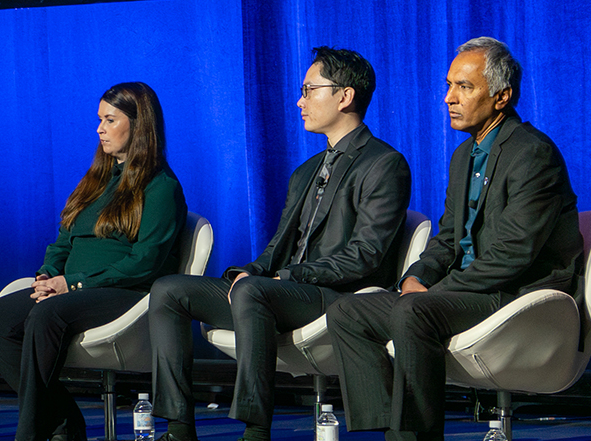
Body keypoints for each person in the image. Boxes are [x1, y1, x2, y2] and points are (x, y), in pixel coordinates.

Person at [149, 47, 412, 441]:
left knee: (256, 291)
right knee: (170, 290)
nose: (299, 101)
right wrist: (253, 269)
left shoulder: (384, 163)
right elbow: (277, 246)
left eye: (309, 90)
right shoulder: (306, 171)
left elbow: (366, 256)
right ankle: (178, 427)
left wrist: (284, 276)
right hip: (280, 290)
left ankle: (256, 429)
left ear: (345, 96)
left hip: (336, 296)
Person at [327, 37, 582, 441]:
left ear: (502, 97)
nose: (449, 98)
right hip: (464, 291)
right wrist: (417, 277)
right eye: (449, 85)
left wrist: (431, 293)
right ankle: (386, 426)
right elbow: (448, 236)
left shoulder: (533, 154)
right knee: (347, 311)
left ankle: (414, 436)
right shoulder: (464, 156)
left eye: (465, 87)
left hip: (514, 294)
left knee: (413, 312)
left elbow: (512, 255)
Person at [0, 82, 188, 441]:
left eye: (109, 119)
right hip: (73, 290)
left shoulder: (161, 186)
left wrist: (73, 285)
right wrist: (48, 275)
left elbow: (145, 262)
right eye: (99, 119)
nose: (99, 129)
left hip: (126, 291)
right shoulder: (96, 179)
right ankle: (63, 422)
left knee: (47, 314)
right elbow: (63, 242)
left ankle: (29, 434)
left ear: (138, 126)